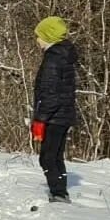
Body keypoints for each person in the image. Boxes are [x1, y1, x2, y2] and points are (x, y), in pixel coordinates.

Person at [31, 17, 78, 202]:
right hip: (64, 115)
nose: (37, 40)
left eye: (39, 36)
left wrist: (40, 118)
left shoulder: (53, 59)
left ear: (48, 37)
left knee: (47, 158)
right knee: (57, 156)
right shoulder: (63, 55)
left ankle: (58, 193)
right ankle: (60, 190)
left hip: (54, 116)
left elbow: (50, 93)